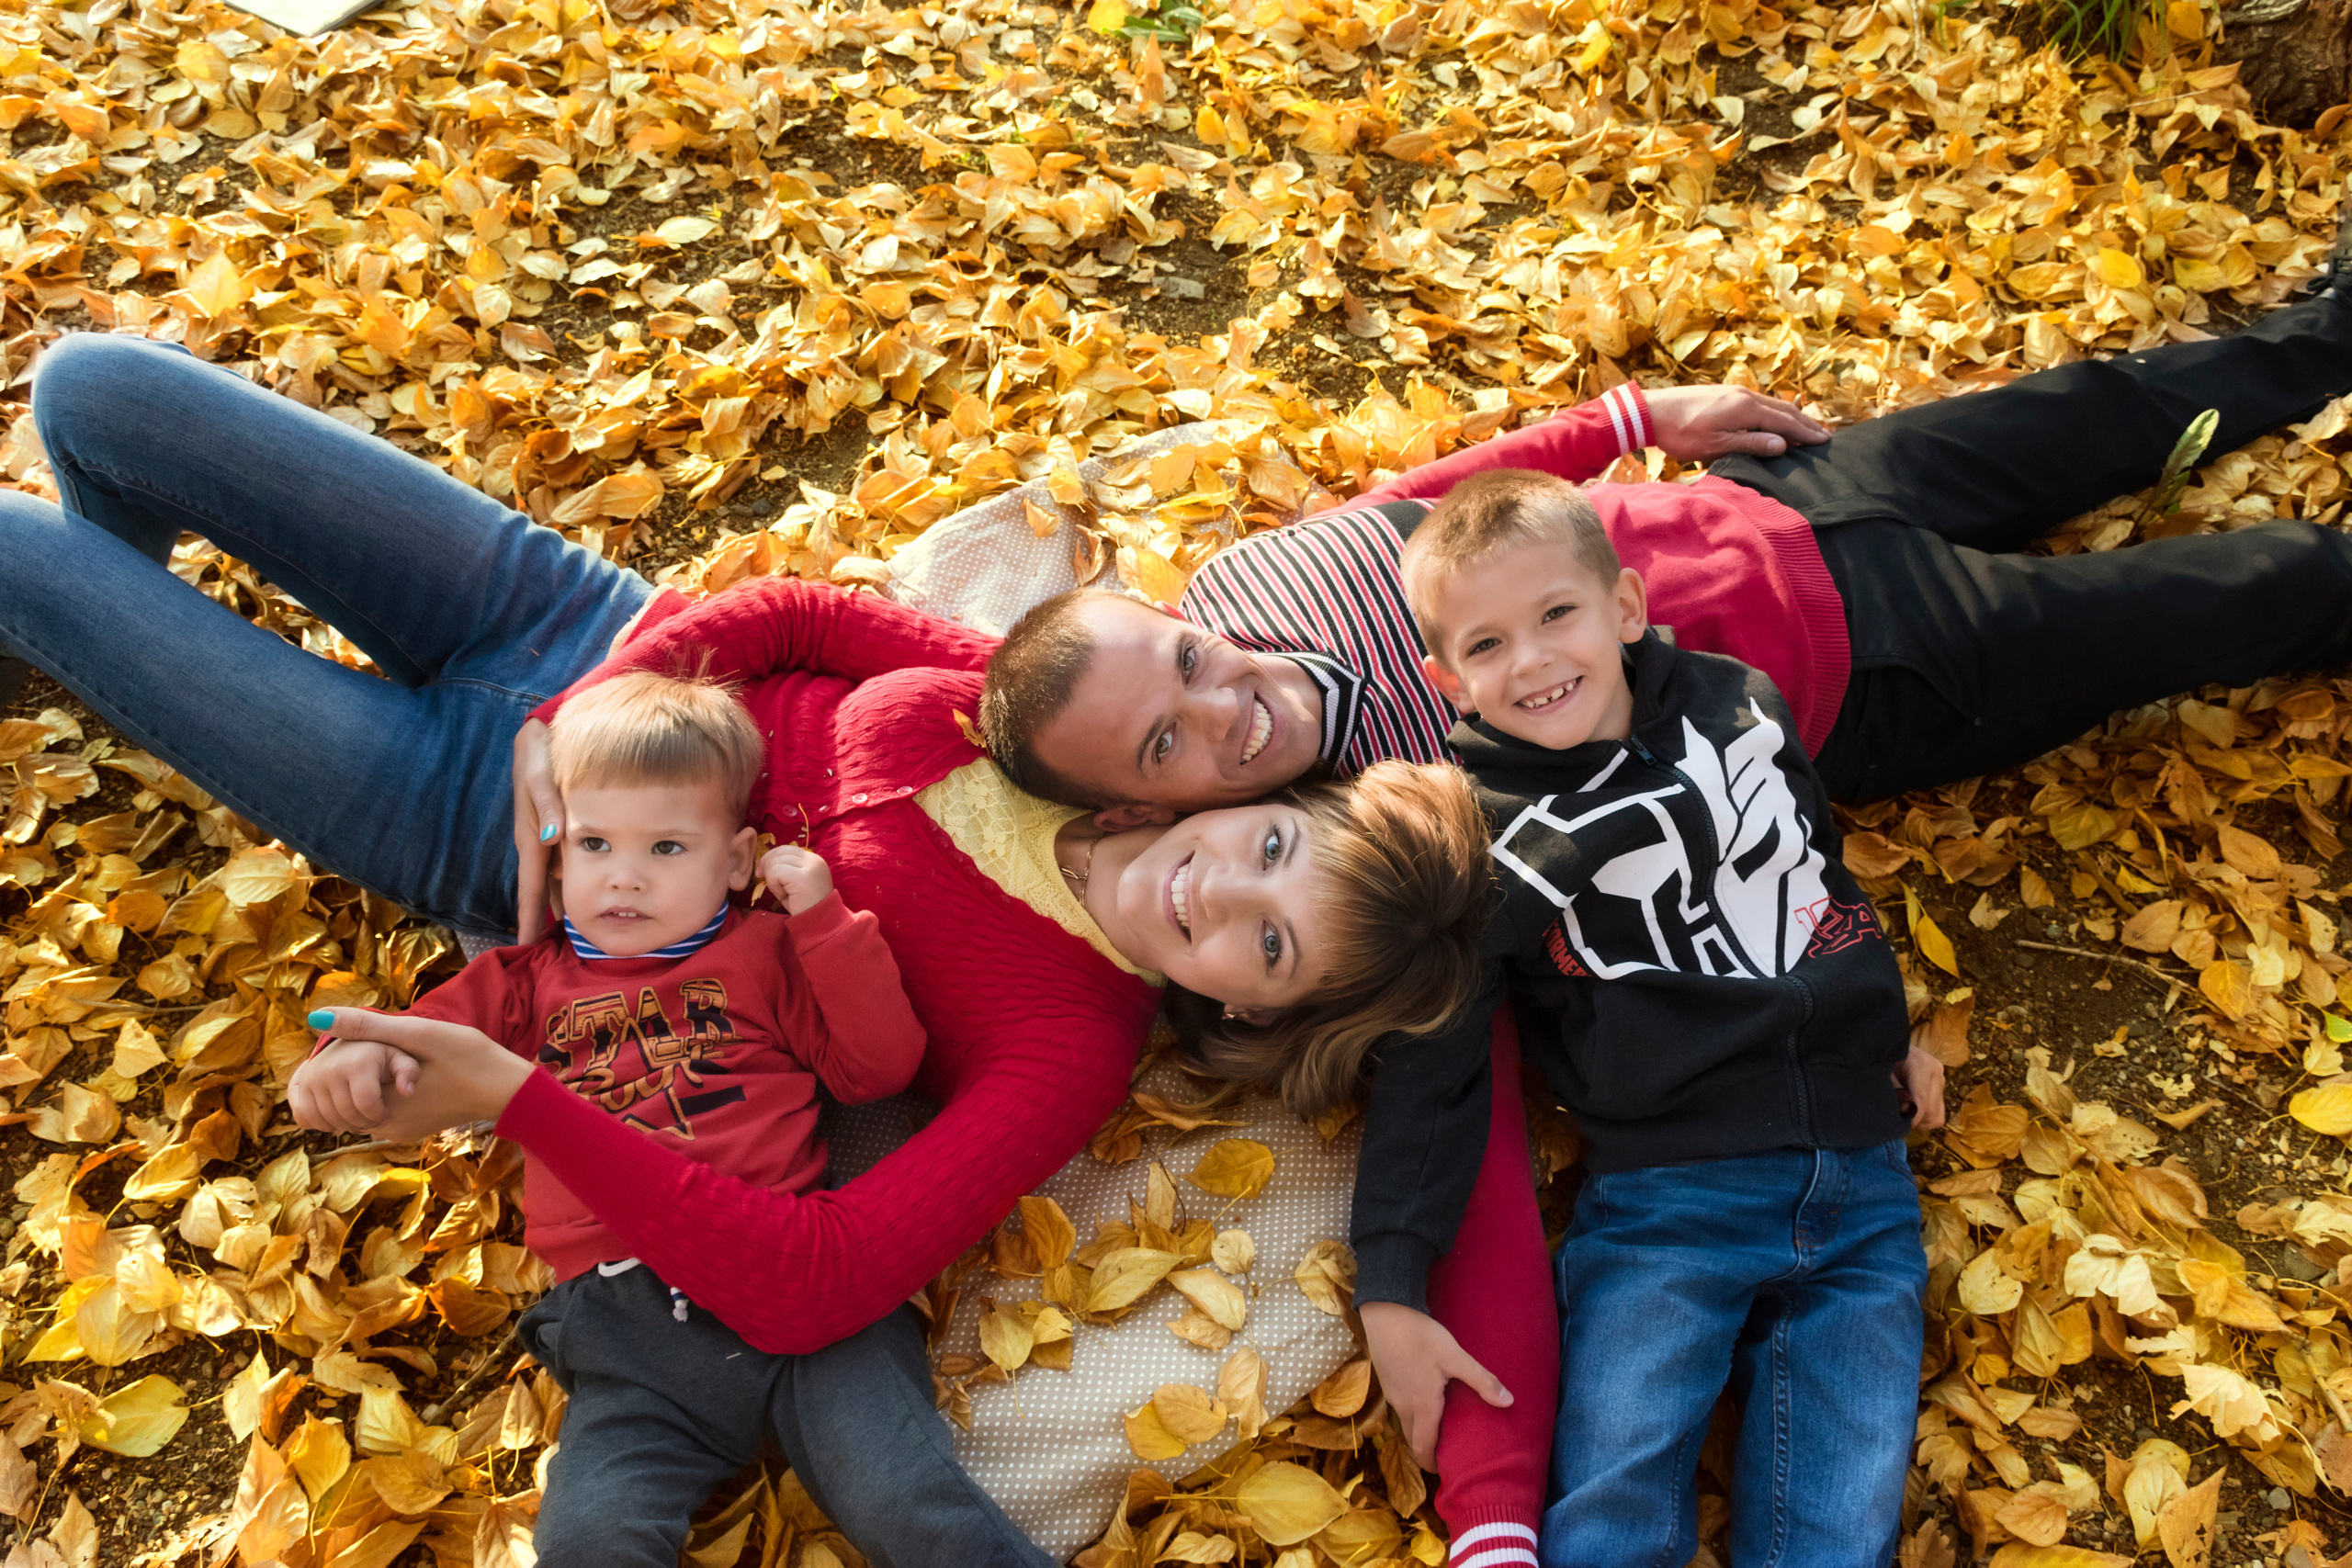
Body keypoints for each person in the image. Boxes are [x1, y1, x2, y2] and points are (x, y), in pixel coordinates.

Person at [0, 333, 1493, 1568]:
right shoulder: (1094, 745)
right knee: (89, 391)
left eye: (1271, 947)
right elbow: (796, 619)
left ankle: (84, 620)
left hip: (483, 829)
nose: (1219, 893)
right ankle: (100, 647)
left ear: (1246, 1007)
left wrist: (515, 1083)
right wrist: (594, 709)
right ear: (1265, 804)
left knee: (18, 549)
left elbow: (816, 1275)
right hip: (576, 614)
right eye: (1275, 847)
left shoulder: (1068, 1048)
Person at [970, 275, 2352, 1509]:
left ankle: (2324, 331)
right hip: (1871, 665)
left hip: (1764, 502)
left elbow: (1453, 498)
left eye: (1187, 660)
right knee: (2220, 596)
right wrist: (1430, 1356)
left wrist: (1637, 414)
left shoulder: (1252, 573)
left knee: (2096, 408)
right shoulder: (1396, 820)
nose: (1224, 707)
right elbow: (1463, 1090)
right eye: (1168, 743)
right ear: (1147, 806)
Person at [1391, 468, 1936, 1565]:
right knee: (1615, 1493)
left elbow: (1809, 872)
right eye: (1487, 646)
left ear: (1626, 608)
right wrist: (1390, 1280)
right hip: (1669, 1196)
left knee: (1842, 1520)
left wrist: (1891, 1031)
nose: (1535, 661)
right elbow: (1431, 1047)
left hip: (1863, 1176)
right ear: (1449, 680)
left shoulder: (1737, 702)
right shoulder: (1481, 838)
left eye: (1557, 615)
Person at [291, 671, 933, 1568]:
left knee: (909, 1500)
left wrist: (823, 921)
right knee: (590, 1539)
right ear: (557, 858)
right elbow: (421, 1039)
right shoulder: (526, 984)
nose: (623, 875)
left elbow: (878, 1069)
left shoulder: (765, 952)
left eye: (667, 847)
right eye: (594, 844)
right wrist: (351, 1061)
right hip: (626, 1329)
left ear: (738, 861)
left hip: (798, 1287)